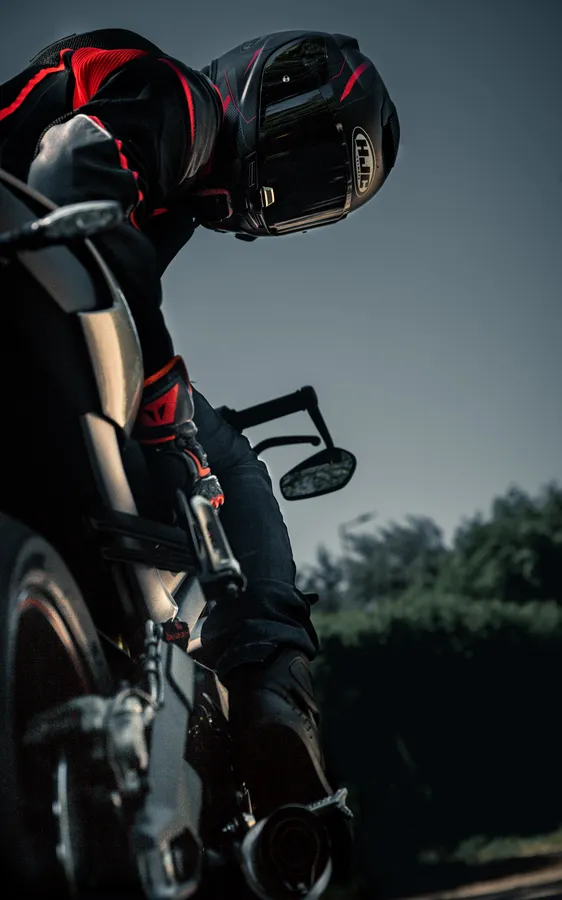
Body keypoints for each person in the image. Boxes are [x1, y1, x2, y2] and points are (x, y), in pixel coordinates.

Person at [0, 27, 399, 825]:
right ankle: (271, 695)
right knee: (236, 467)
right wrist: (166, 407)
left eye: (310, 199)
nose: (274, 196)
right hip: (28, 287)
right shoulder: (182, 98)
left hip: (32, 336)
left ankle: (147, 668)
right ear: (265, 91)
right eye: (298, 165)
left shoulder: (174, 179)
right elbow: (74, 175)